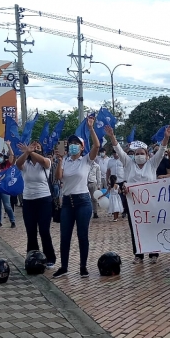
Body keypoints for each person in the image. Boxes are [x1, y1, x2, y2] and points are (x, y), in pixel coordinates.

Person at [105, 124, 170, 264]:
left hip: (151, 203)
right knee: (135, 228)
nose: (140, 156)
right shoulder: (129, 164)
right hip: (133, 203)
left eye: (142, 153)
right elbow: (119, 150)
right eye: (137, 154)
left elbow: (161, 151)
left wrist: (166, 138)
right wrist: (112, 136)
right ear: (133, 156)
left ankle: (154, 253)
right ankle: (139, 254)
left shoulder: (152, 164)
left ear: (148, 156)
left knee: (152, 227)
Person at [52, 116, 100, 278]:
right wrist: (59, 161)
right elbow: (59, 177)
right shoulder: (65, 160)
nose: (73, 146)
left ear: (81, 147)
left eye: (76, 144)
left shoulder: (86, 160)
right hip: (67, 202)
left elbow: (97, 145)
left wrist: (91, 128)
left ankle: (83, 267)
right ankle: (64, 267)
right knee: (65, 236)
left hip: (83, 202)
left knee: (82, 235)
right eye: (71, 144)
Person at [15, 140, 56, 269]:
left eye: (38, 147)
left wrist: (30, 152)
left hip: (44, 199)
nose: (35, 148)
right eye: (33, 146)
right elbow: (18, 164)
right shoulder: (25, 164)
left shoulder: (46, 162)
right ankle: (32, 257)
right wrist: (26, 153)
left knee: (44, 230)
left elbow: (44, 162)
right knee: (31, 231)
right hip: (28, 200)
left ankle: (50, 257)